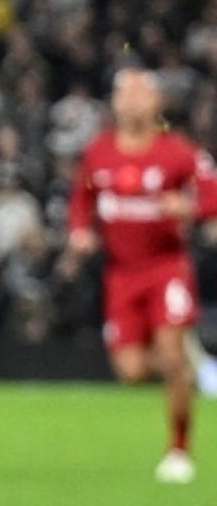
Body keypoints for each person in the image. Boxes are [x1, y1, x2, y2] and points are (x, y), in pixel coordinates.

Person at [67, 68, 215, 484]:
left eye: (140, 94)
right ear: (115, 103)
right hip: (121, 274)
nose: (131, 102)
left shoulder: (178, 152)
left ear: (156, 103)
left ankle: (179, 449)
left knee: (170, 353)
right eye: (125, 95)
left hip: (167, 268)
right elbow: (81, 200)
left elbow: (212, 196)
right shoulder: (99, 153)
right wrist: (80, 231)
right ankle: (191, 368)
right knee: (130, 372)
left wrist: (189, 208)